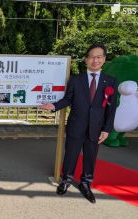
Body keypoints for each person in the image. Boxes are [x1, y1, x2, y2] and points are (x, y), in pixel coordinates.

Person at [40, 43, 117, 203]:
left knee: (90, 157)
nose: (95, 60)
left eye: (99, 57)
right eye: (92, 57)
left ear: (104, 59)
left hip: (96, 128)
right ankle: (66, 180)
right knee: (71, 155)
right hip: (76, 125)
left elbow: (112, 108)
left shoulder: (110, 81)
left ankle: (85, 183)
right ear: (85, 60)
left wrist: (107, 129)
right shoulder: (76, 80)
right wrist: (54, 106)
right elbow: (68, 99)